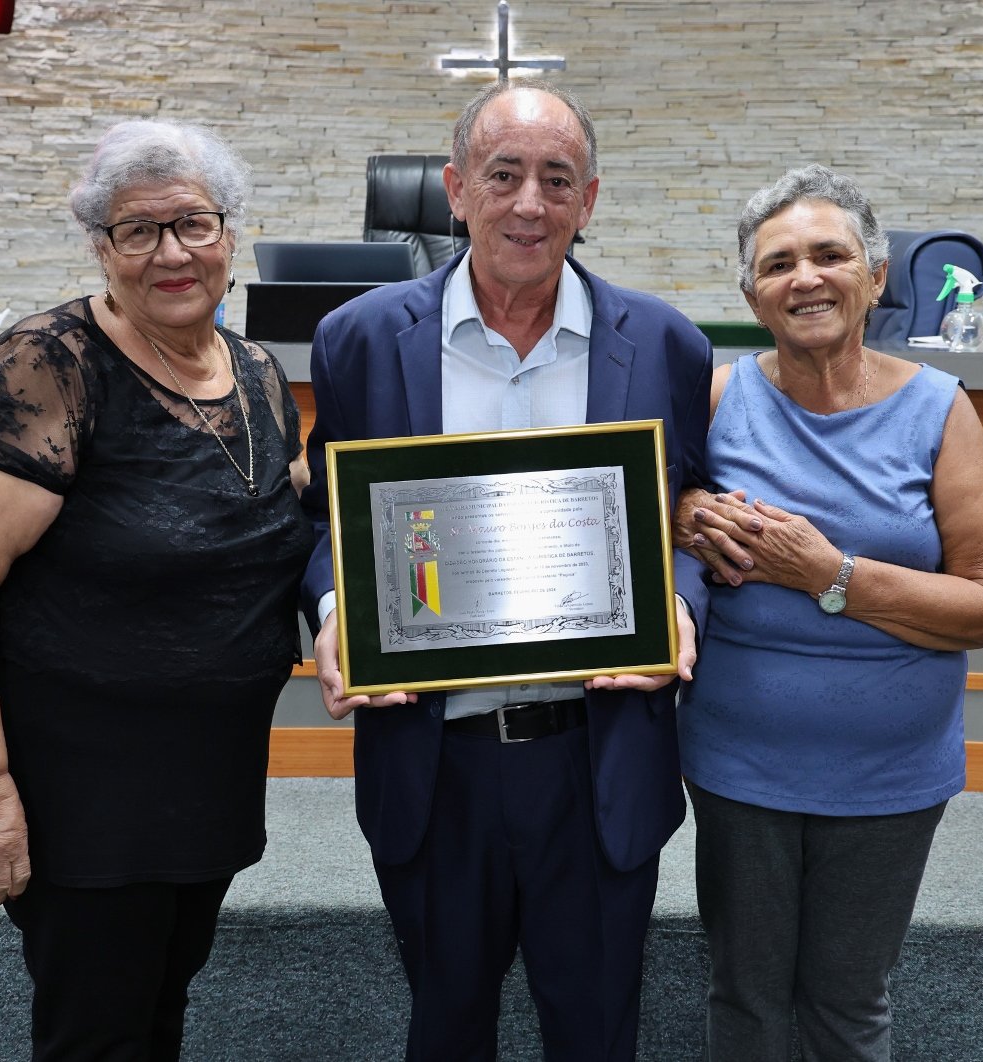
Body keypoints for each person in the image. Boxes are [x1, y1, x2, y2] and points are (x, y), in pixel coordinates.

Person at [299, 79, 713, 1060]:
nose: (530, 203)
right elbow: (328, 517)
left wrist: (678, 605)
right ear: (455, 188)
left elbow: (687, 515)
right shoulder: (359, 340)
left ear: (588, 200)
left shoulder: (667, 344)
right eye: (503, 174)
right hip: (434, 761)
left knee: (596, 1035)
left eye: (557, 179)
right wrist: (337, 606)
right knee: (445, 1030)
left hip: (596, 758)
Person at [0, 119, 313, 1061]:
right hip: (85, 788)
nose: (172, 252)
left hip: (206, 777)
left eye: (194, 223)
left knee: (158, 1006)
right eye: (138, 230)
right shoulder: (49, 364)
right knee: (97, 1032)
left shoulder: (253, 370)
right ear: (101, 245)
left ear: (230, 232)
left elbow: (267, 525)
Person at [673, 163, 983, 1061]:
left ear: (875, 275)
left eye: (830, 255)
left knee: (848, 1001)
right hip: (739, 765)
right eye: (778, 263)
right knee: (744, 994)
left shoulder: (940, 410)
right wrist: (681, 510)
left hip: (889, 774)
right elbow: (657, 513)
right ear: (752, 295)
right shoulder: (715, 398)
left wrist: (829, 576)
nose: (807, 278)